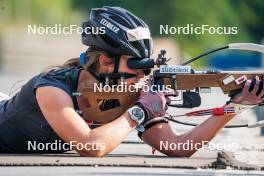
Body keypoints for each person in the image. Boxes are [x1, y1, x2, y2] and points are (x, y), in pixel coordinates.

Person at [0, 6, 263, 156]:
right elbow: (91, 147)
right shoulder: (51, 88)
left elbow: (178, 147)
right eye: (136, 66)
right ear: (104, 60)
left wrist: (237, 105)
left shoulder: (133, 92)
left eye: (147, 67)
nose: (143, 75)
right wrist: (140, 111)